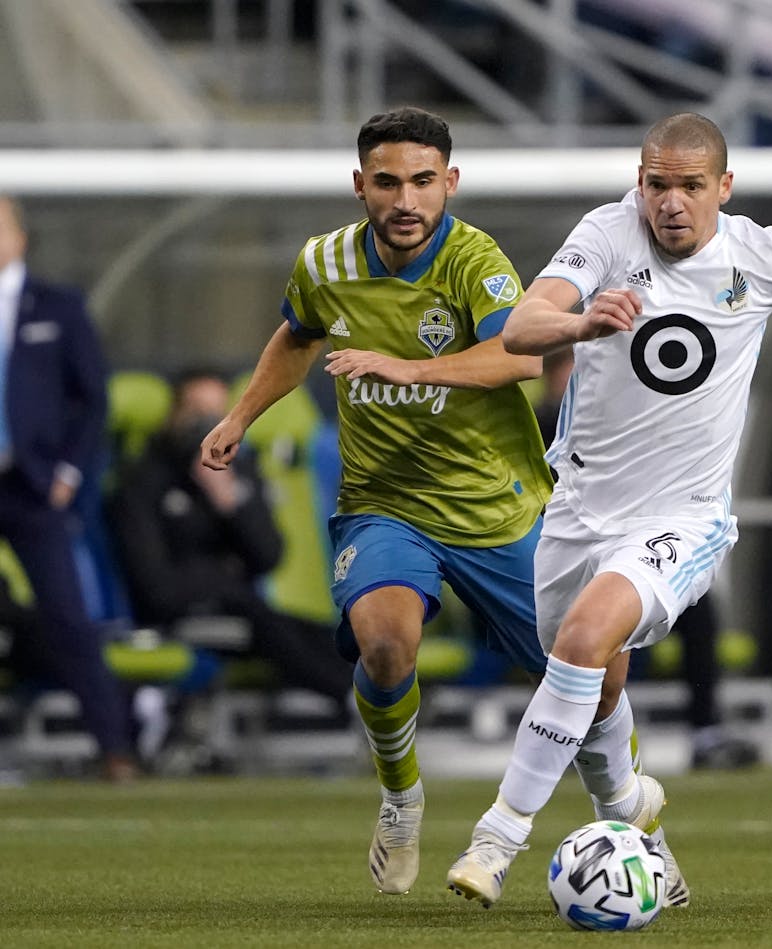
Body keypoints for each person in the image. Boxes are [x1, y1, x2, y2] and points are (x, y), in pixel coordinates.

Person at [443, 111, 772, 909]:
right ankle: (632, 820)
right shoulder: (607, 234)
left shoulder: (761, 255)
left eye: (690, 186)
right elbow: (524, 325)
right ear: (639, 182)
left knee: (588, 638)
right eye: (656, 183)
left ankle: (496, 839)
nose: (670, 202)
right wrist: (581, 319)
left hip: (685, 516)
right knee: (593, 683)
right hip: (581, 506)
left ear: (723, 188)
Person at [198, 107, 561, 896]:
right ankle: (402, 797)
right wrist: (239, 415)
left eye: (424, 182)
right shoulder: (326, 261)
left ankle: (633, 814)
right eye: (388, 181)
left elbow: (519, 356)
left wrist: (409, 369)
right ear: (360, 185)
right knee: (386, 644)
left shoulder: (475, 260)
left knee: (592, 678)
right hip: (385, 501)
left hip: (494, 505)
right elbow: (298, 333)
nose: (406, 200)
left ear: (450, 184)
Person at [532, 348, 760, 771]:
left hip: (639, 547)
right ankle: (572, 744)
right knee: (578, 646)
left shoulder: (629, 415)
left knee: (700, 615)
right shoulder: (539, 428)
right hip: (569, 552)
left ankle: (705, 731)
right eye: (565, 377)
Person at [108, 369, 356, 708]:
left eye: (217, 414)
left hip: (237, 606)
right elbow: (154, 585)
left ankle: (378, 696)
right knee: (265, 625)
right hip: (177, 616)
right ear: (174, 414)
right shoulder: (143, 482)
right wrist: (224, 574)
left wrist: (230, 503)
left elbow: (268, 556)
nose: (206, 424)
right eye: (196, 411)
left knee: (319, 634)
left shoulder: (237, 472)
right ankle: (352, 698)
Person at [0, 194, 138, 782]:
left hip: (31, 485)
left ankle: (116, 748)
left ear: (19, 236)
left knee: (67, 616)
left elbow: (92, 399)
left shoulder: (57, 305)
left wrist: (68, 474)